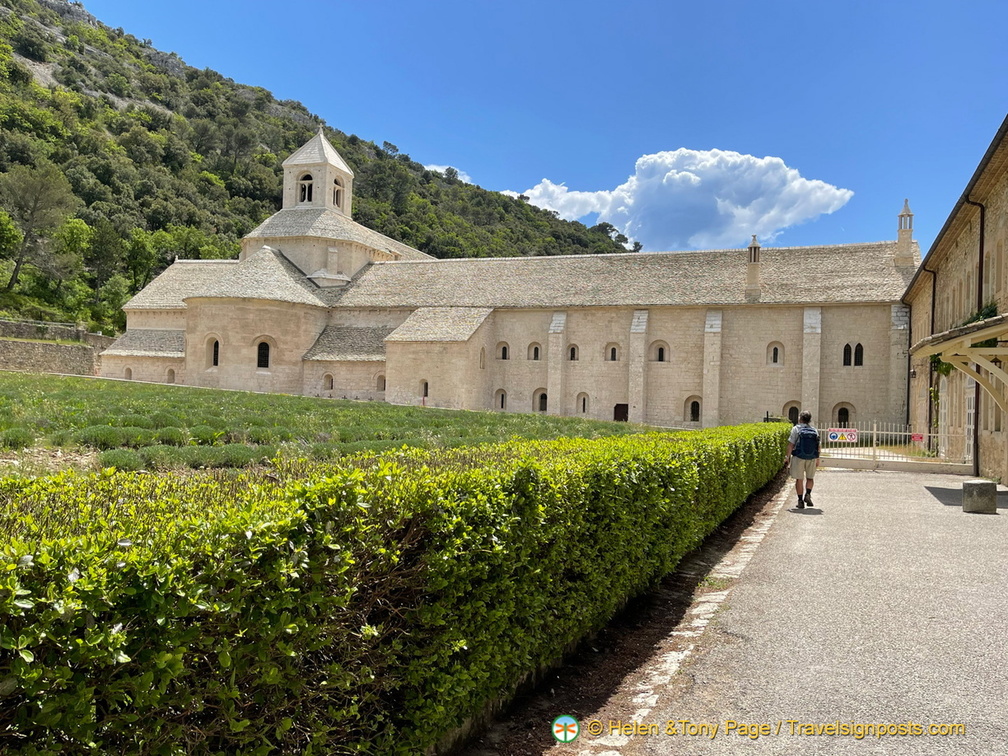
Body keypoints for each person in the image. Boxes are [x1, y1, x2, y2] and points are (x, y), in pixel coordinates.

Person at [785, 410, 820, 509]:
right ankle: (808, 494)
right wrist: (818, 458)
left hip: (798, 457)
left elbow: (791, 444)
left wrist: (787, 457)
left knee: (799, 479)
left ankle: (800, 501)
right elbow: (818, 446)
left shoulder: (796, 429)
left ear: (800, 418)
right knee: (810, 478)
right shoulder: (814, 430)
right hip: (811, 457)